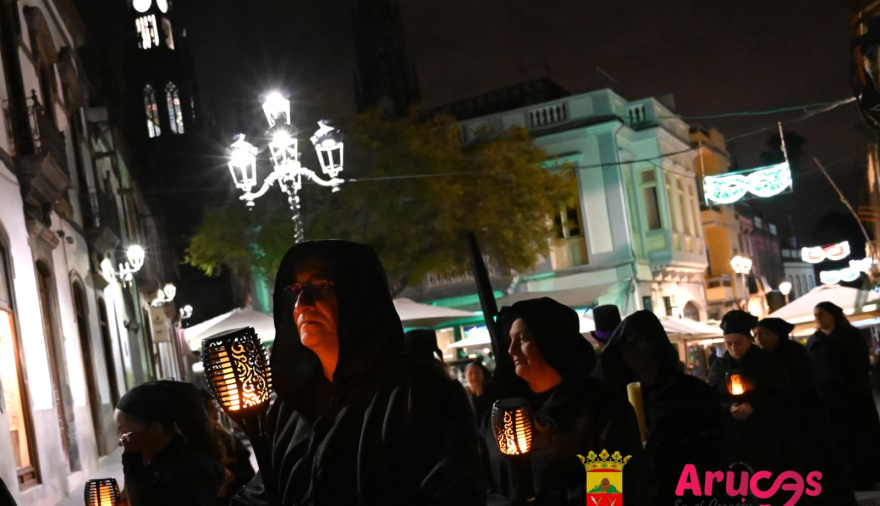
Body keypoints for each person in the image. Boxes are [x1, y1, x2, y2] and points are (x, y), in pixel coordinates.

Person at [233, 240, 484, 505]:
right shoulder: (289, 411)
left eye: (319, 287)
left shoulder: (422, 397)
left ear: (357, 293)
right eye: (295, 290)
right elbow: (261, 495)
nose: (302, 303)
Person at [478, 297, 643, 506]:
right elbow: (475, 484)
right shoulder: (498, 415)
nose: (511, 350)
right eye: (510, 339)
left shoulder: (602, 407)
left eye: (523, 338)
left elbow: (610, 494)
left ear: (551, 341)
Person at [600, 310, 728, 504]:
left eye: (637, 341)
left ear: (655, 344)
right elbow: (603, 461)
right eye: (625, 344)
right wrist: (603, 500)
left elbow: (714, 455)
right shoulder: (613, 401)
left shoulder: (694, 393)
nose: (630, 349)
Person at [754, 317, 857, 505]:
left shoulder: (793, 354)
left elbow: (802, 386)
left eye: (763, 334)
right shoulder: (763, 359)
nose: (759, 339)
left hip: (806, 421)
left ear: (777, 335)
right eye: (755, 335)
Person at [707, 310, 796, 476]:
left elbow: (783, 393)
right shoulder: (720, 366)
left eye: (738, 343)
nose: (734, 348)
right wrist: (728, 408)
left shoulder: (767, 362)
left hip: (767, 437)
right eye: (729, 344)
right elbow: (711, 398)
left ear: (749, 339)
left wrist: (755, 404)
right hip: (733, 439)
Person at [115, 380, 225, 506]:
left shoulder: (189, 469)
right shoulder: (158, 462)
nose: (121, 440)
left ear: (155, 426)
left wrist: (132, 461)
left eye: (124, 431)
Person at [807, 302, 880, 490]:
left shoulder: (850, 335)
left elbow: (860, 362)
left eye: (821, 314)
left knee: (861, 437)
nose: (818, 319)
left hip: (854, 396)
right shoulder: (814, 341)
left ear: (832, 315)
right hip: (830, 400)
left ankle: (868, 475)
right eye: (815, 315)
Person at [200, 390, 255, 504]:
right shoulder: (196, 446)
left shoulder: (229, 440)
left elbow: (249, 474)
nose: (217, 410)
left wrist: (231, 479)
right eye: (212, 406)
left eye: (216, 406)